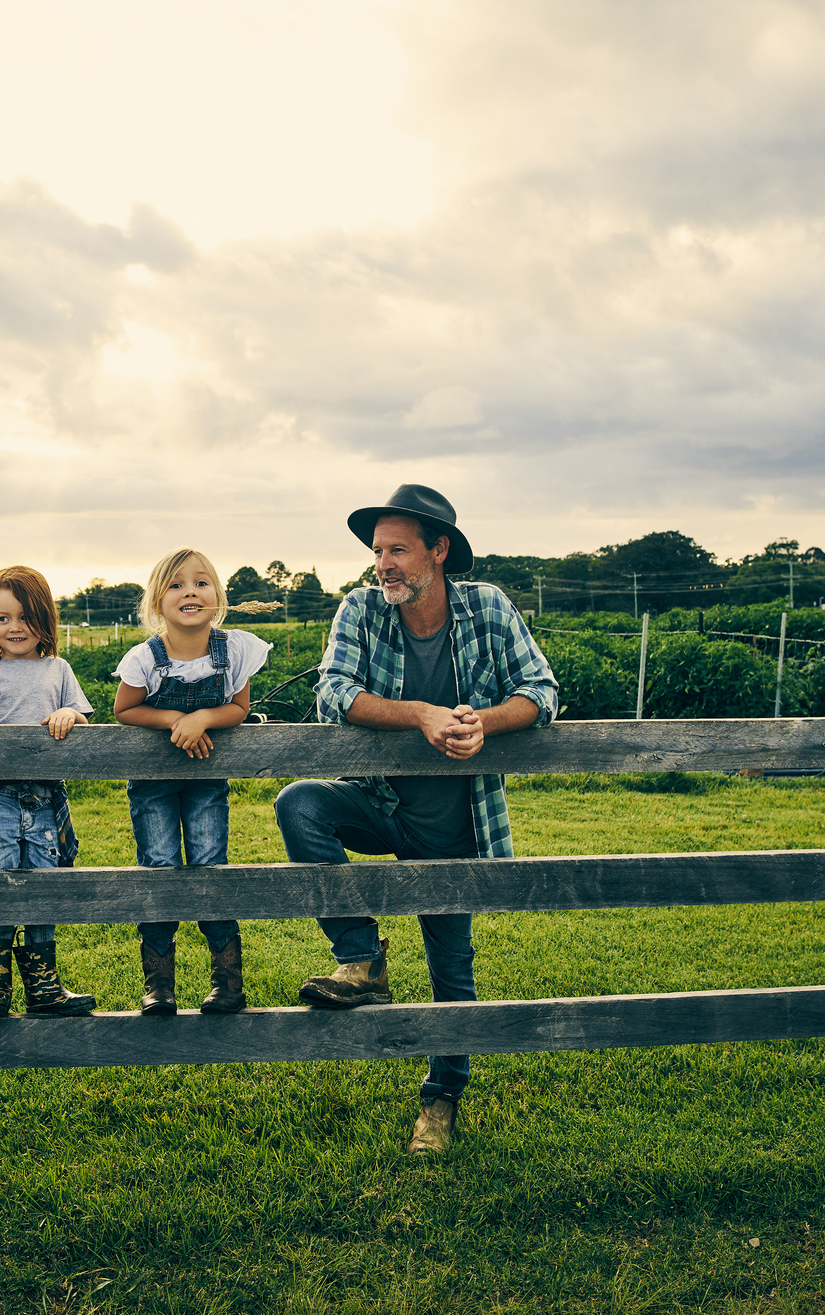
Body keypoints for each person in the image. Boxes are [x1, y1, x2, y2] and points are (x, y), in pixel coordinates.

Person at [273, 485, 558, 1156]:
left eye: (398, 548)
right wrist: (421, 713)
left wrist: (481, 724)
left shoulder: (486, 607)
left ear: (438, 551)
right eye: (378, 550)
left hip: (456, 828)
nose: (383, 563)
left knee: (450, 973)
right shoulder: (362, 609)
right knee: (300, 803)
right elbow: (332, 693)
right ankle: (361, 959)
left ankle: (440, 1099)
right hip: (379, 804)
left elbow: (541, 692)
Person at [112, 548, 271, 1016]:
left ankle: (226, 980)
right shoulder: (144, 658)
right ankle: (158, 983)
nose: (190, 592)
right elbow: (125, 711)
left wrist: (203, 715)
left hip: (206, 780)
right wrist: (172, 720)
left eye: (201, 583)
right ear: (158, 601)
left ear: (217, 596)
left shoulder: (233, 650)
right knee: (158, 865)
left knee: (210, 865)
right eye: (177, 585)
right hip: (154, 783)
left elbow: (239, 709)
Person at [0, 565, 99, 1018]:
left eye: (25, 616)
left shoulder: (58, 669)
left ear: (45, 619)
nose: (14, 627)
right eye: (2, 618)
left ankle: (44, 986)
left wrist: (70, 717)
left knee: (43, 884)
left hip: (45, 800)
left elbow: (82, 716)